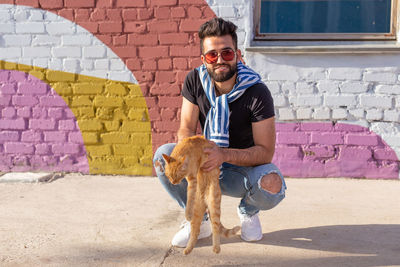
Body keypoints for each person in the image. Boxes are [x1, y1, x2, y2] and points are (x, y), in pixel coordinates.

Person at [153, 17, 286, 247]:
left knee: (272, 183)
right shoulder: (195, 80)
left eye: (226, 53)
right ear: (204, 59)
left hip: (240, 173)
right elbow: (186, 126)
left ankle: (248, 211)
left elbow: (265, 153)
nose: (219, 60)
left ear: (238, 54)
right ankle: (199, 218)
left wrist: (222, 155)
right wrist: (192, 151)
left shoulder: (257, 92)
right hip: (204, 165)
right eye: (212, 55)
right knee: (163, 157)